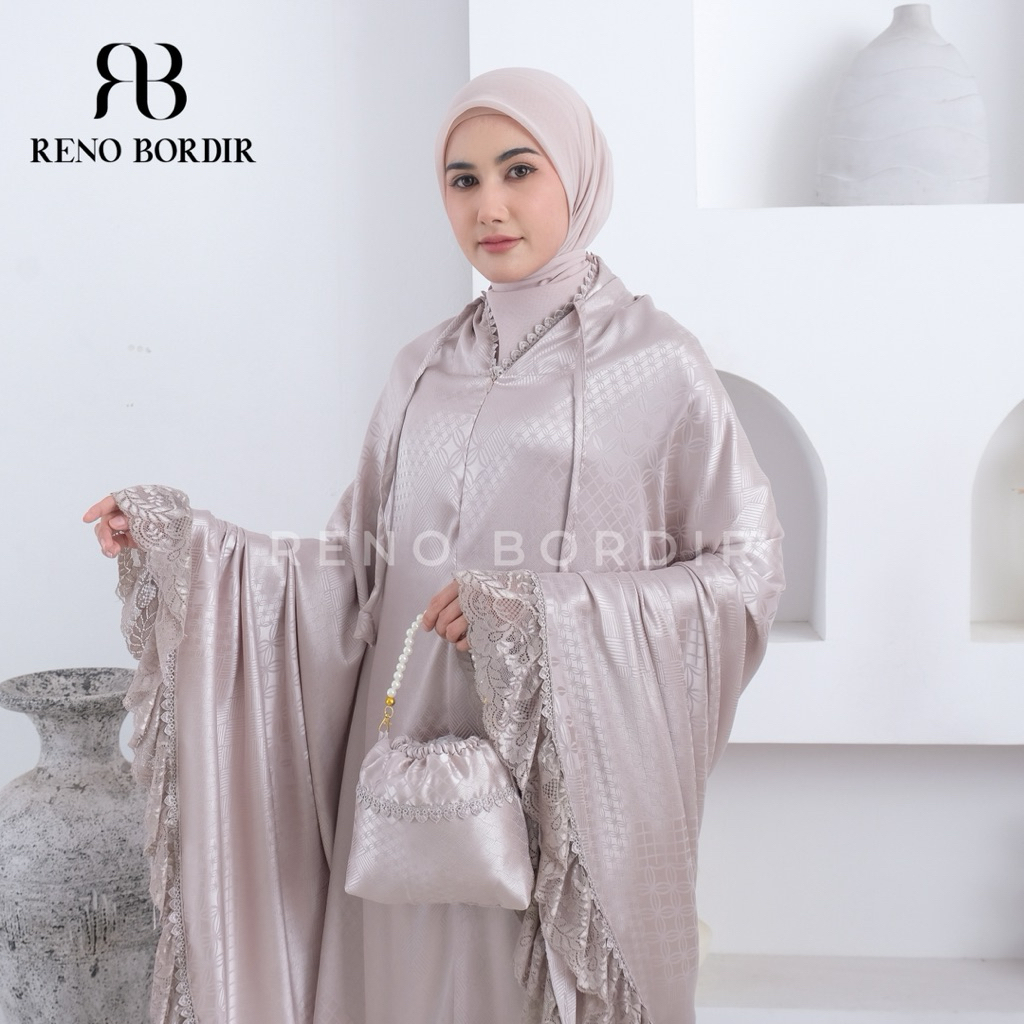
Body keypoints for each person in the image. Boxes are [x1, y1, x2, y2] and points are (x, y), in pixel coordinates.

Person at [84, 68, 783, 1024]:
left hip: (560, 777)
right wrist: (190, 549)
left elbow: (743, 574)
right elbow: (352, 572)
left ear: (577, 176)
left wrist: (539, 614)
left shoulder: (655, 367)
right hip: (403, 770)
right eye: (463, 180)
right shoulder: (423, 368)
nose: (489, 205)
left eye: (518, 170)